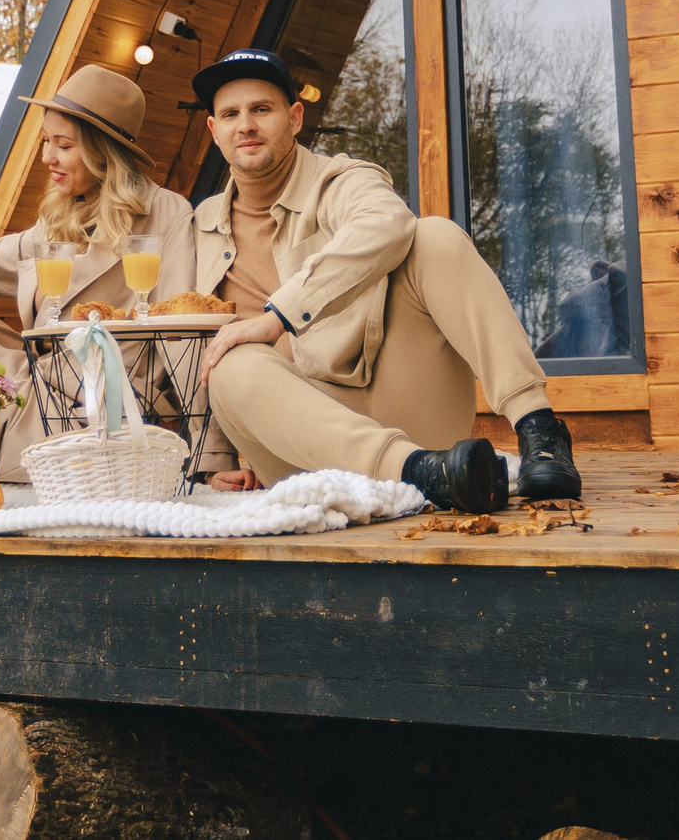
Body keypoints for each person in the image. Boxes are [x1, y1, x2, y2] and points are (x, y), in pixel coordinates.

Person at [188, 47, 581, 513]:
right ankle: (421, 474)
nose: (246, 125)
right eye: (231, 114)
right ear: (214, 130)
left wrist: (279, 317)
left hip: (407, 409)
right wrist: (215, 457)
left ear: (294, 118)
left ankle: (540, 430)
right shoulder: (201, 225)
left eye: (261, 110)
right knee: (232, 364)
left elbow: (386, 221)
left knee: (434, 237)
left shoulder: (341, 180)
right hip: (303, 450)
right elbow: (196, 342)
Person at [0, 64, 197, 477]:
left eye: (62, 145)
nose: (47, 157)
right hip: (40, 382)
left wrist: (207, 456)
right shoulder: (60, 216)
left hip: (110, 397)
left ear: (103, 151)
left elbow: (181, 335)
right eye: (47, 141)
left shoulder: (167, 215)